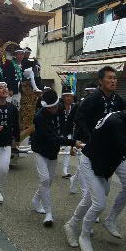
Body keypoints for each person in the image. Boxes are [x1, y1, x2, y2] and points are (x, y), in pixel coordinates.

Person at [64, 108, 126, 251]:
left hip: (104, 165)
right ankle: (84, 236)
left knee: (91, 199)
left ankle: (71, 225)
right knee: (99, 203)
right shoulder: (117, 123)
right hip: (90, 161)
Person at [73, 66, 126, 238]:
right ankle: (82, 223)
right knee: (97, 194)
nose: (113, 80)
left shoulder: (118, 100)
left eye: (115, 78)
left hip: (116, 150)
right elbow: (79, 119)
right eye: (109, 78)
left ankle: (111, 219)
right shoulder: (92, 99)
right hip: (96, 151)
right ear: (101, 81)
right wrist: (91, 137)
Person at [31, 89, 83, 227]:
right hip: (40, 150)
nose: (54, 109)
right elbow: (50, 138)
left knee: (48, 181)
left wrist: (68, 138)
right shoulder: (39, 117)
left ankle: (36, 200)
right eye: (50, 107)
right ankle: (49, 213)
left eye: (55, 106)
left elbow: (64, 127)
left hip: (53, 151)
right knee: (45, 179)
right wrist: (72, 142)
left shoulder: (59, 109)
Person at [58, 85, 78, 179]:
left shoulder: (74, 107)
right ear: (63, 97)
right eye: (67, 96)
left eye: (71, 96)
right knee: (55, 150)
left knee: (67, 152)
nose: (69, 98)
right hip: (58, 132)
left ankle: (64, 171)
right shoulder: (58, 107)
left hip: (69, 132)